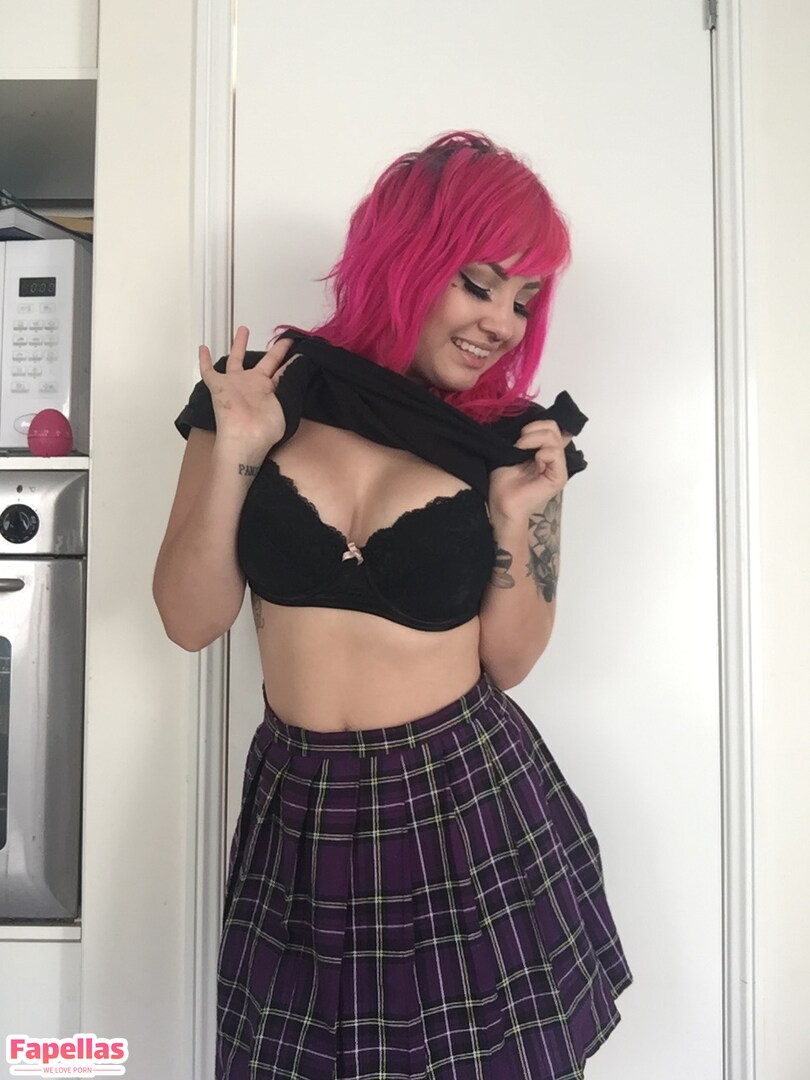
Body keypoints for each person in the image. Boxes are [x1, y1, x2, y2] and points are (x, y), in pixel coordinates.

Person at [153, 131, 632, 1080]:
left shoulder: (510, 444)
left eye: (523, 300)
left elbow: (509, 662)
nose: (500, 323)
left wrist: (522, 513)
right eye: (478, 283)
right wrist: (238, 448)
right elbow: (188, 619)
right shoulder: (264, 393)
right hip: (299, 804)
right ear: (405, 257)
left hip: (461, 794)